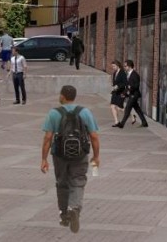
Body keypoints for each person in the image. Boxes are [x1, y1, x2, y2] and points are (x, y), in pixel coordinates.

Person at [41, 85, 100, 234]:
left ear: (63, 96)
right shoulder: (85, 112)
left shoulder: (54, 113)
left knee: (62, 182)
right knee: (78, 181)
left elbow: (48, 138)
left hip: (59, 155)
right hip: (80, 154)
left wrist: (44, 159)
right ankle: (74, 208)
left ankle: (64, 215)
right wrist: (96, 156)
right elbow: (94, 136)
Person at [114, 60, 148, 128]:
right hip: (131, 94)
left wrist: (130, 88)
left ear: (129, 66)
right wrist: (124, 93)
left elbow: (136, 86)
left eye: (125, 66)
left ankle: (122, 124)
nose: (124, 67)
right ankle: (144, 122)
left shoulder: (135, 75)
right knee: (137, 109)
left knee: (127, 108)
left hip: (134, 95)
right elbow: (127, 86)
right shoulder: (128, 74)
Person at [109, 60, 127, 125]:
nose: (113, 68)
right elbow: (115, 83)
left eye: (114, 66)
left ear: (118, 65)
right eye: (112, 66)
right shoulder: (114, 73)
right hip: (115, 92)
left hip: (121, 92)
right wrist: (113, 85)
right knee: (112, 106)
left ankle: (132, 115)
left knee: (119, 108)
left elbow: (125, 83)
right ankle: (116, 121)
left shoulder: (122, 73)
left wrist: (118, 86)